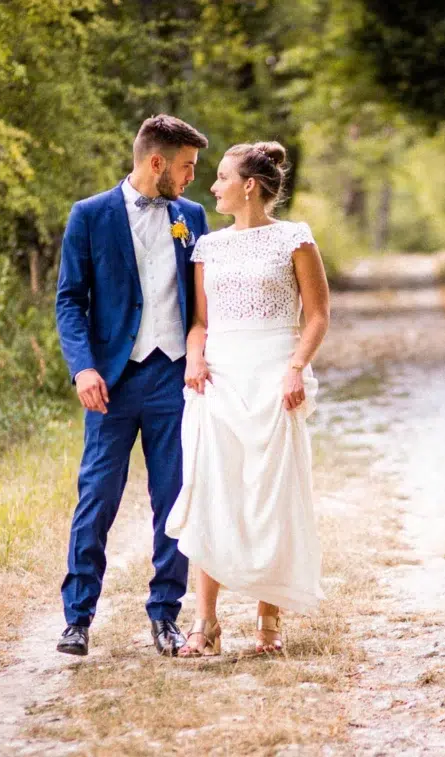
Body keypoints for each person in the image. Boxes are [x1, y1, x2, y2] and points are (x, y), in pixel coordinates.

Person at [165, 141, 331, 657]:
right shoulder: (208, 248)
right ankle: (205, 623)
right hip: (219, 378)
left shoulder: (295, 240)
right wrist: (195, 358)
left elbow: (318, 316)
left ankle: (267, 620)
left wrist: (295, 368)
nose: (213, 186)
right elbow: (200, 323)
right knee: (213, 490)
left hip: (273, 376)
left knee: (270, 494)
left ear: (249, 186)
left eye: (221, 177)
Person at [53, 115, 211, 657]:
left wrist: (201, 355)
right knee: (96, 498)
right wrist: (83, 367)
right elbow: (70, 300)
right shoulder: (90, 216)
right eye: (187, 166)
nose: (193, 177)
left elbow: (204, 300)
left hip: (174, 378)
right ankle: (77, 618)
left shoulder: (192, 218)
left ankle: (165, 615)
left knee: (175, 499)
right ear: (157, 163)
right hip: (112, 382)